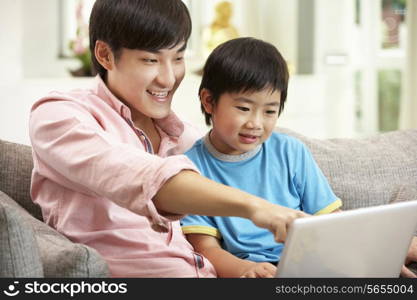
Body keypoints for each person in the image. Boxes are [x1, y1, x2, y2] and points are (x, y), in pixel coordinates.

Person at [28, 0, 306, 278]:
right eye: (151, 60)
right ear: (105, 55)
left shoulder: (189, 139)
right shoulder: (58, 116)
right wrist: (256, 207)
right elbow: (137, 174)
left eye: (178, 58)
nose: (169, 78)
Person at [180, 37, 417, 278]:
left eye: (270, 111)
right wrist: (246, 269)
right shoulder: (189, 170)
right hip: (250, 271)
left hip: (311, 264)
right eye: (243, 108)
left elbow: (331, 224)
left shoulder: (291, 152)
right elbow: (204, 249)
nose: (256, 123)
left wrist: (372, 254)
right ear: (209, 101)